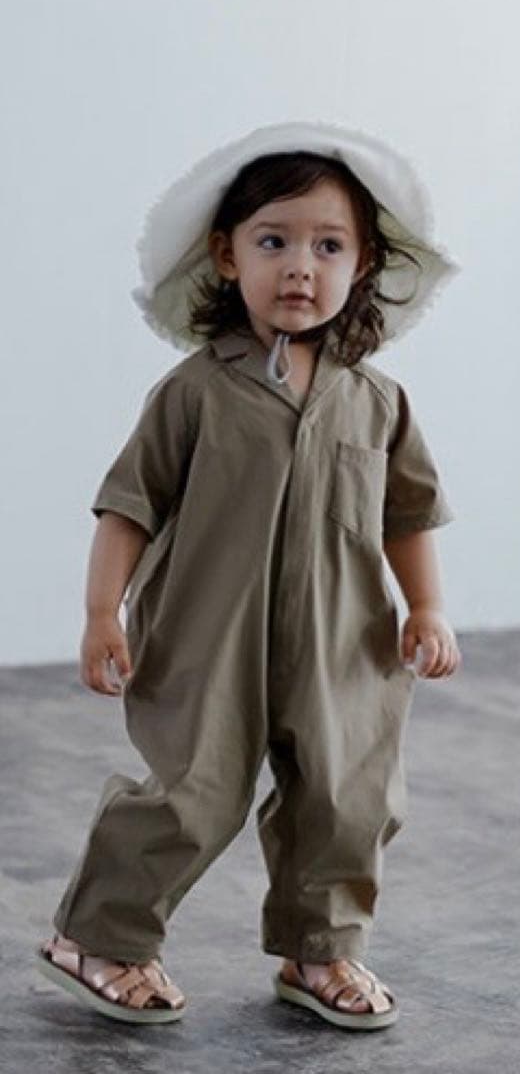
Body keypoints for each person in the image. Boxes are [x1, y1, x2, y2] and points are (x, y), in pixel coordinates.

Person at [36, 120, 462, 1030]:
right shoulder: (196, 391)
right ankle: (97, 937)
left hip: (343, 640)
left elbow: (408, 514)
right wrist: (103, 612)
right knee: (192, 794)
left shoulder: (376, 399)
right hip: (207, 633)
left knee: (349, 795)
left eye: (328, 245)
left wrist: (426, 605)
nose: (300, 267)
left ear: (364, 263)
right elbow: (128, 506)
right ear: (228, 257)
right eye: (274, 242)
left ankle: (321, 949)